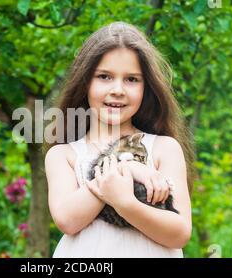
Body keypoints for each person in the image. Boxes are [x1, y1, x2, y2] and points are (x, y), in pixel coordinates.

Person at [45, 22, 196, 258]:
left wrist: (126, 203)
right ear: (85, 82)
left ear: (146, 88)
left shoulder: (163, 148)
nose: (118, 89)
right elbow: (67, 220)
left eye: (132, 79)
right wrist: (127, 168)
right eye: (104, 76)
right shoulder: (64, 154)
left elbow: (179, 233)